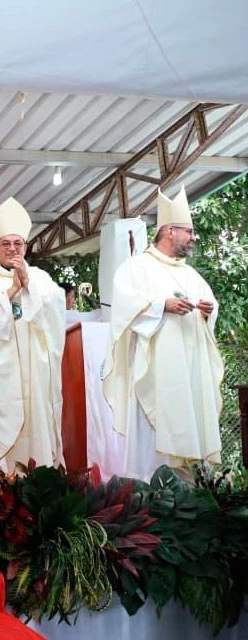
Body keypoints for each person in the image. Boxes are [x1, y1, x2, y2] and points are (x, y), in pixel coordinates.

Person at [102, 186, 223, 481]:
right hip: (156, 373)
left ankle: (189, 496)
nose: (193, 237)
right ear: (169, 231)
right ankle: (148, 499)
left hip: (189, 370)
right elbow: (123, 307)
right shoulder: (137, 267)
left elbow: (209, 307)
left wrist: (208, 311)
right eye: (188, 231)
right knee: (152, 440)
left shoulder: (189, 274)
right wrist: (161, 305)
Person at [0, 197, 65, 472]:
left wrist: (28, 284)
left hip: (34, 372)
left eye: (17, 243)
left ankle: (37, 494)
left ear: (26, 247)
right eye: (5, 244)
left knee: (36, 427)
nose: (12, 249)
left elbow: (56, 310)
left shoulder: (41, 278)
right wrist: (12, 291)